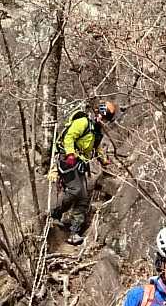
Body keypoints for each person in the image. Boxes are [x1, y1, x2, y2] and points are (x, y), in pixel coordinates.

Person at [50, 98, 118, 245]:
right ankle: (54, 214)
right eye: (103, 118)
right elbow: (69, 137)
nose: (104, 121)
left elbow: (96, 147)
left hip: (80, 163)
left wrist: (103, 160)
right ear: (98, 114)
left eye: (106, 120)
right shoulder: (83, 122)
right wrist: (70, 153)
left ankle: (74, 232)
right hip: (67, 160)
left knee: (83, 197)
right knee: (75, 190)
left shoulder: (96, 131)